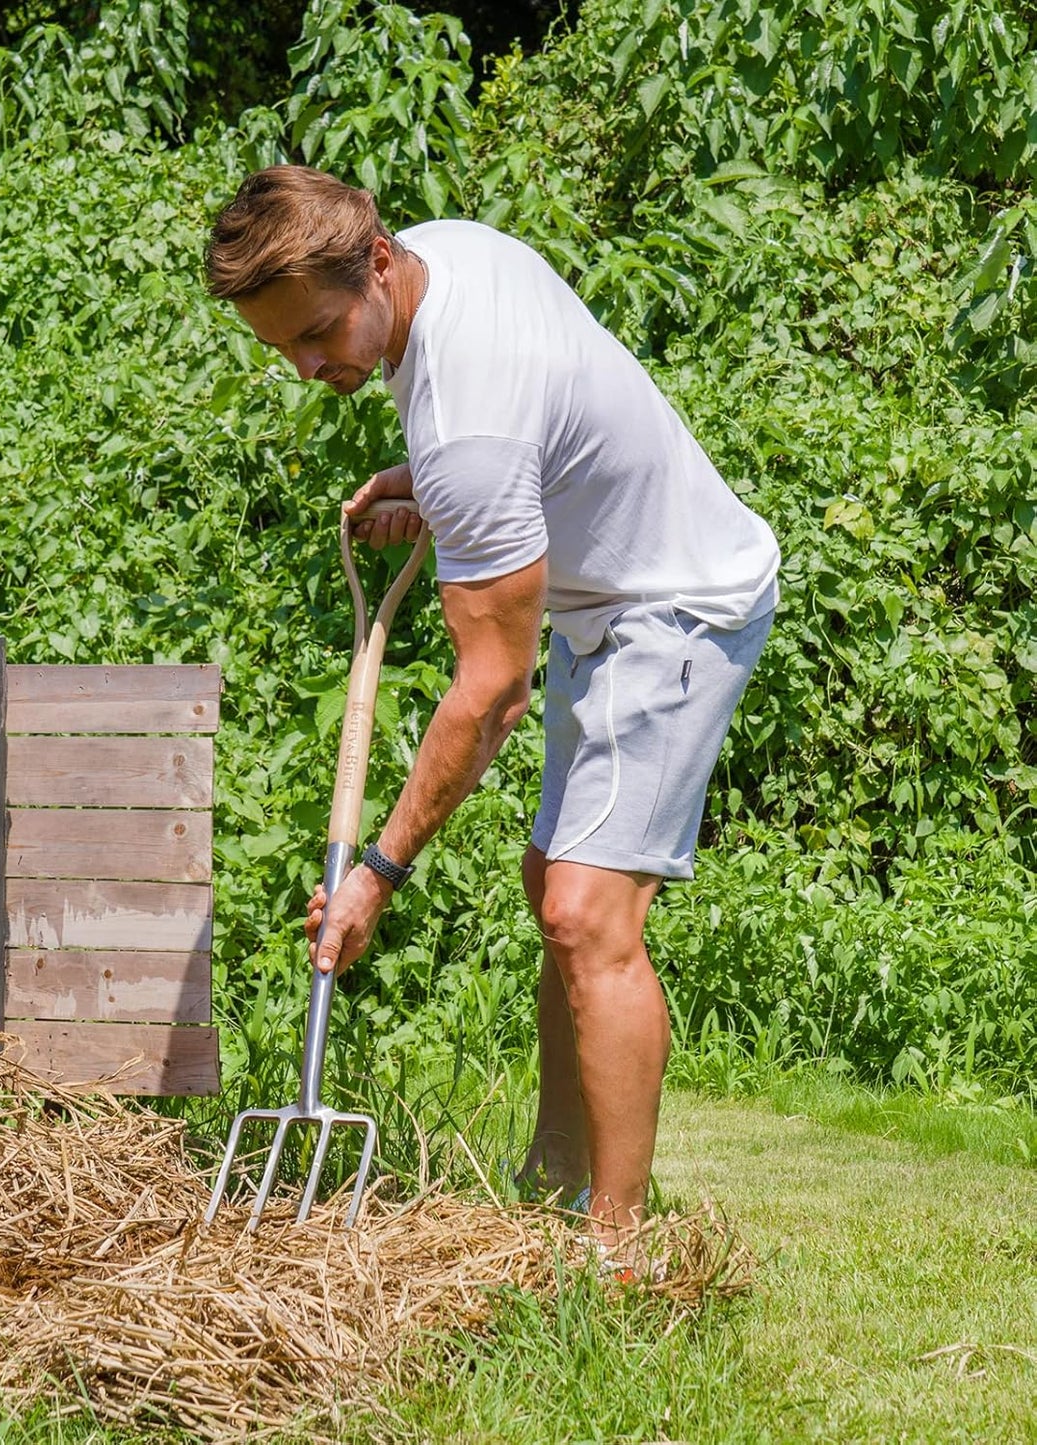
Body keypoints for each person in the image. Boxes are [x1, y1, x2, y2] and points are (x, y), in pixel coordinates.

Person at [204, 165, 780, 1253]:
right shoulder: (440, 256)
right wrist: (432, 477)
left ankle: (612, 1251)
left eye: (319, 335)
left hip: (679, 605)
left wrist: (374, 872)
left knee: (583, 912)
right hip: (607, 596)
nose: (309, 366)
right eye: (282, 349)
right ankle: (553, 1175)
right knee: (548, 880)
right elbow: (530, 428)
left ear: (376, 263)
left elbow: (490, 693)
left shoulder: (466, 424)